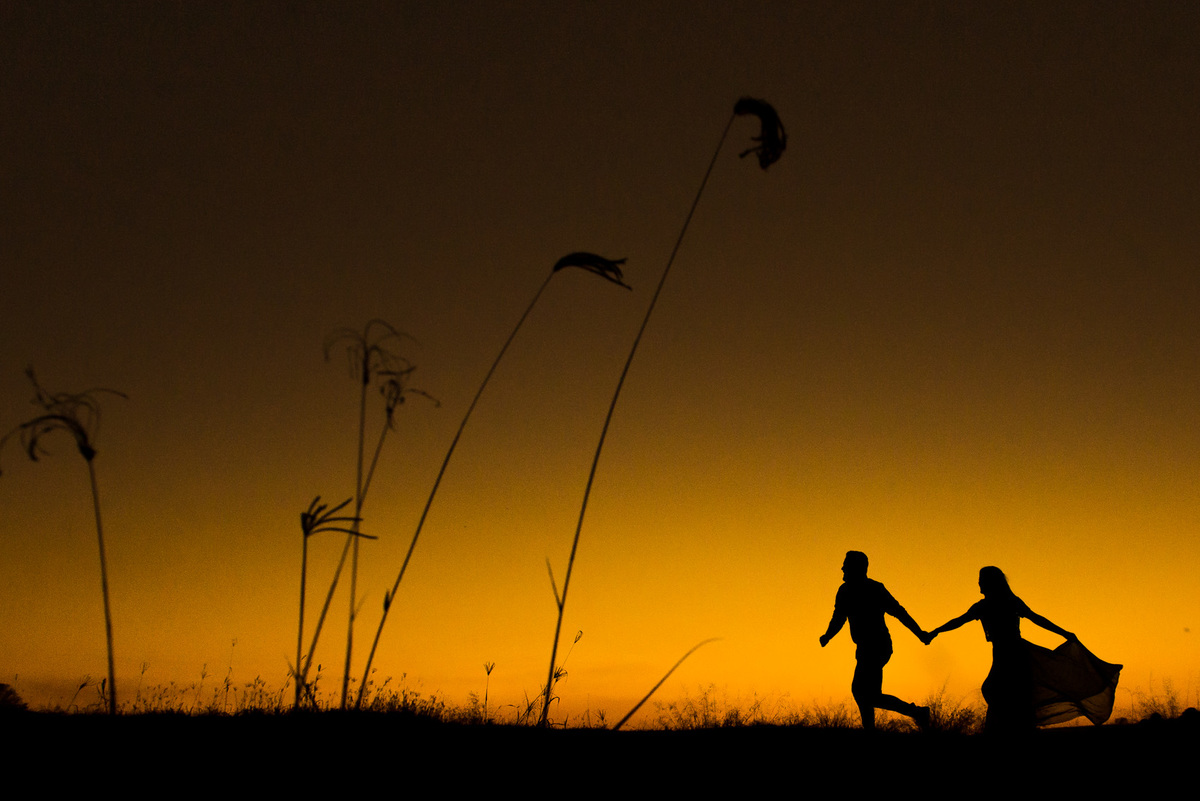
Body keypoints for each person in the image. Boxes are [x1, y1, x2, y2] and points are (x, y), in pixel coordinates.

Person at [926, 566, 1121, 733]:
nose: (978, 585)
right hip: (1006, 652)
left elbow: (1036, 618)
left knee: (998, 691)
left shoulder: (1002, 603)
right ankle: (1011, 729)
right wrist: (935, 631)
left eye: (981, 580)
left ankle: (1006, 730)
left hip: (1014, 653)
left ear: (989, 582)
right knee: (1005, 693)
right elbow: (958, 621)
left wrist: (1064, 632)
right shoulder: (988, 605)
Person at [820, 551, 931, 731]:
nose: (842, 568)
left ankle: (915, 713)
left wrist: (920, 633)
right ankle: (913, 714)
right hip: (864, 647)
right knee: (866, 694)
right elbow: (838, 618)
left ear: (857, 568)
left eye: (846, 565)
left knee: (863, 692)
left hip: (878, 646)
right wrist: (828, 636)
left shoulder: (875, 589)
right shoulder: (845, 591)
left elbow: (899, 612)